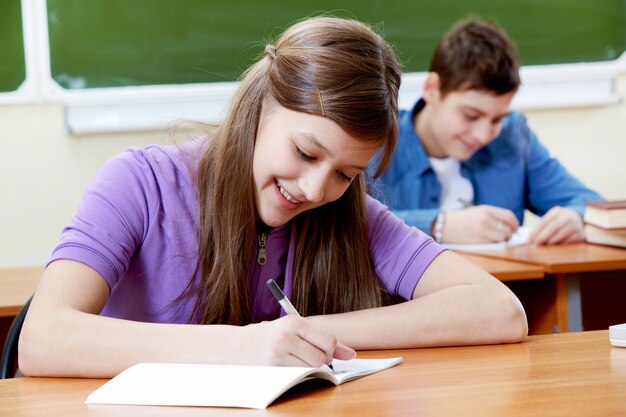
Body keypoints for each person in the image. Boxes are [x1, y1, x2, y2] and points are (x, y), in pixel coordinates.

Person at [19, 16, 527, 378]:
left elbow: (499, 311)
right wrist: (239, 346)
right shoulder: (139, 183)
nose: (314, 190)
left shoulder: (348, 214)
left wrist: (303, 334)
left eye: (346, 174)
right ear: (260, 108)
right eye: (305, 152)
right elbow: (41, 340)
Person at [368, 19, 604, 245]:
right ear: (432, 89)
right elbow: (346, 220)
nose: (483, 135)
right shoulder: (375, 141)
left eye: (497, 119)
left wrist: (576, 216)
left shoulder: (513, 136)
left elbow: (593, 205)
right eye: (471, 115)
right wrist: (437, 225)